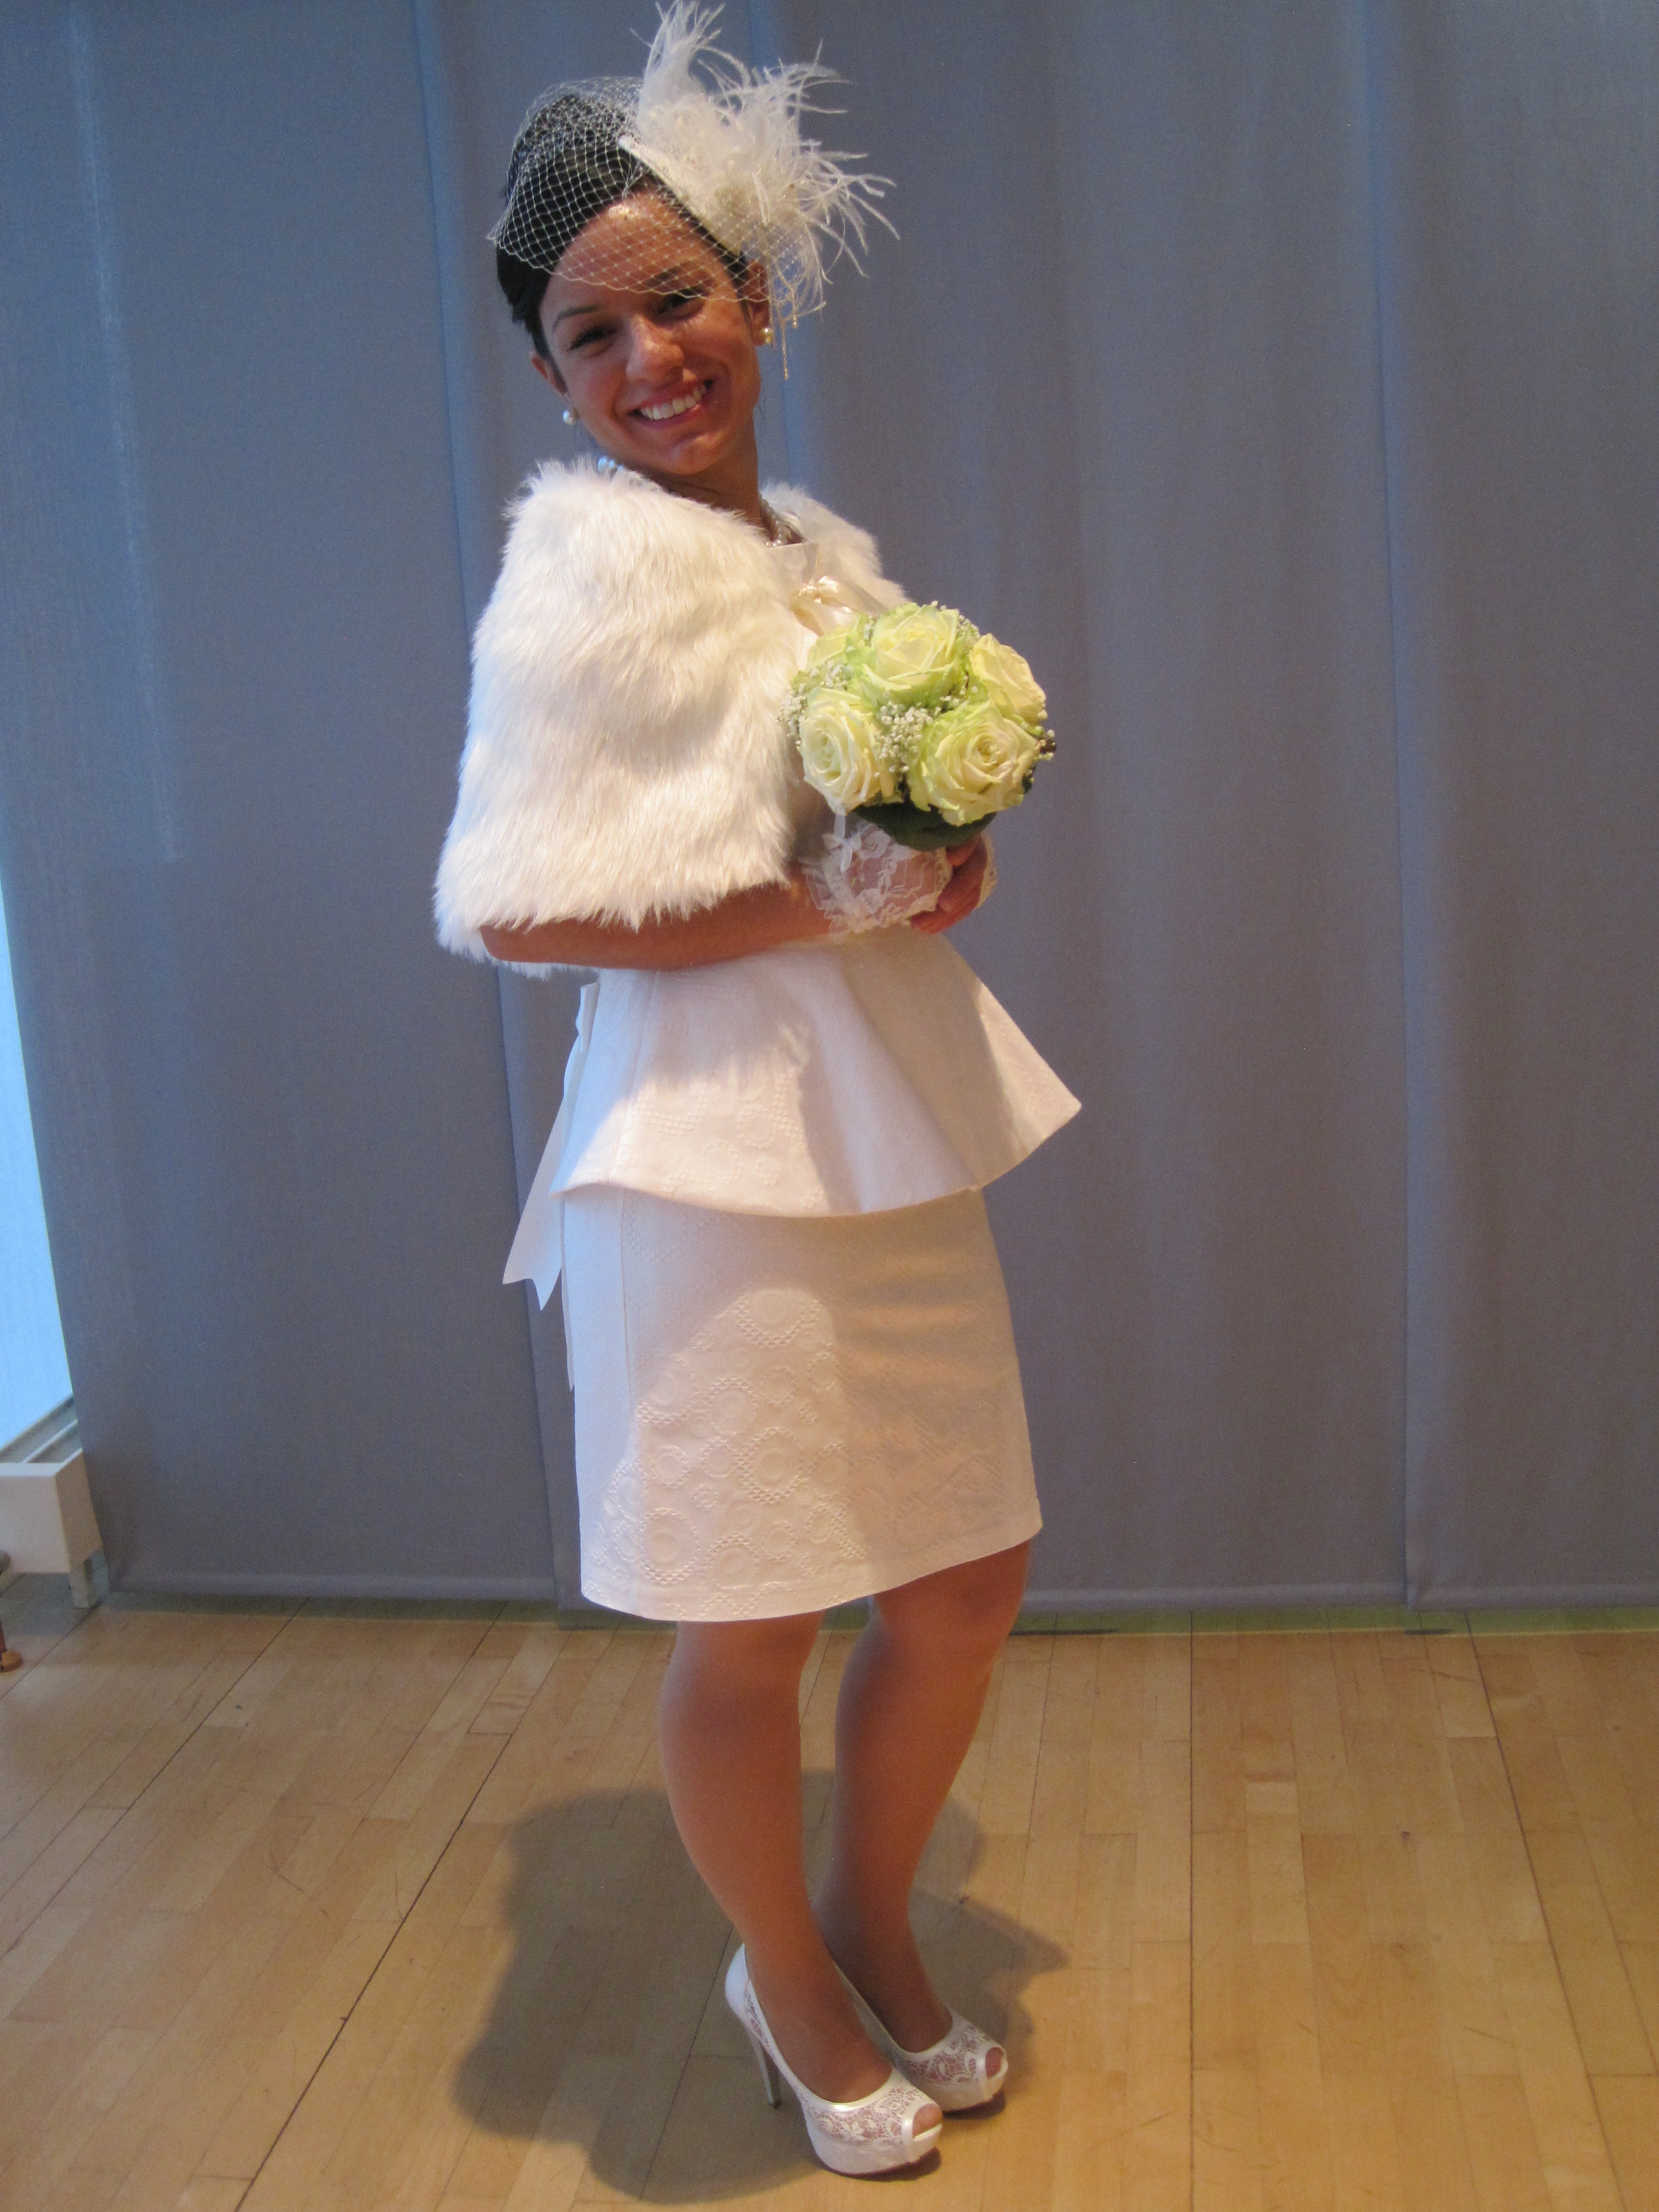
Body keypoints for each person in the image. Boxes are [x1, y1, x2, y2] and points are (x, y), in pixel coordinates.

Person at [434, 7, 1078, 2179]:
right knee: (754, 1607)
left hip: (879, 1120)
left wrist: (934, 866)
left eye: (680, 301)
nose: (650, 359)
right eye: (592, 332)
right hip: (706, 1161)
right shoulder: (584, 577)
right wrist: (819, 908)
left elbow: (858, 847)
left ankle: (868, 1918)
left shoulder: (815, 546)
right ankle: (784, 1977)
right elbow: (517, 908)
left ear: (760, 299)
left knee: (962, 1574)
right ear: (552, 378)